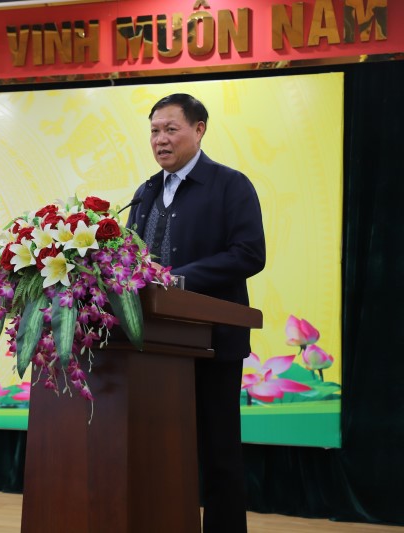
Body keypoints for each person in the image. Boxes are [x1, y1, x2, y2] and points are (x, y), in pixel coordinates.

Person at [126, 93, 266, 533]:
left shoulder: (230, 185)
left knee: (218, 454)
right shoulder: (146, 192)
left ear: (199, 129)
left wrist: (178, 279)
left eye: (171, 129)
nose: (160, 140)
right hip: (154, 345)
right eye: (154, 131)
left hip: (212, 341)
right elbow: (130, 260)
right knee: (161, 452)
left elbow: (249, 253)